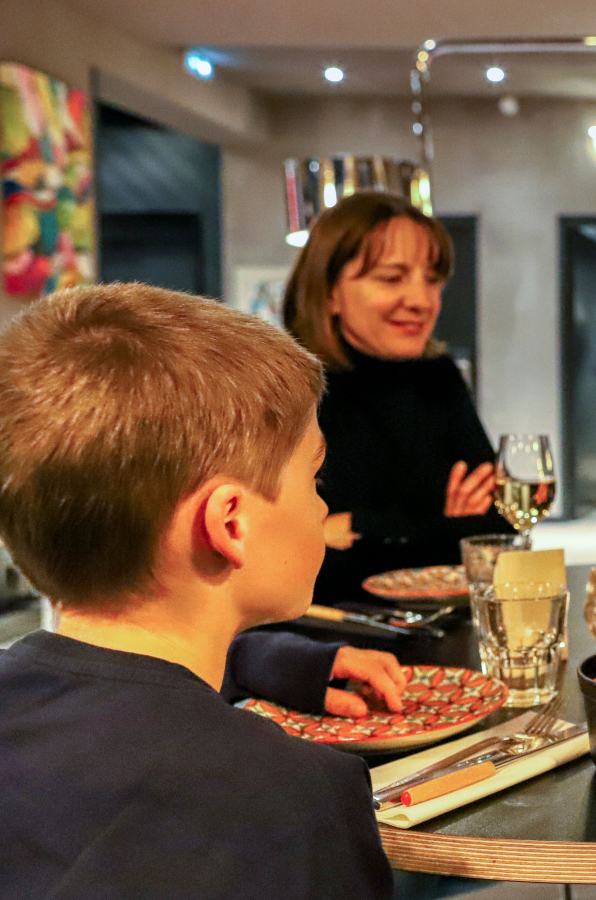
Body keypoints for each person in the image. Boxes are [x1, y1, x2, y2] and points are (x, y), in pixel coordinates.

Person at [0, 284, 395, 899]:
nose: (322, 505)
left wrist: (274, 662)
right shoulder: (295, 799)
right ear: (230, 524)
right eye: (314, 476)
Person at [282, 191, 512, 603]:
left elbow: (495, 534)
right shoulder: (287, 390)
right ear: (330, 293)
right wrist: (441, 525)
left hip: (447, 631)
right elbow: (295, 564)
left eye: (432, 280)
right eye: (391, 278)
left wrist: (360, 525)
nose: (422, 301)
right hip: (333, 644)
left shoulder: (438, 378)